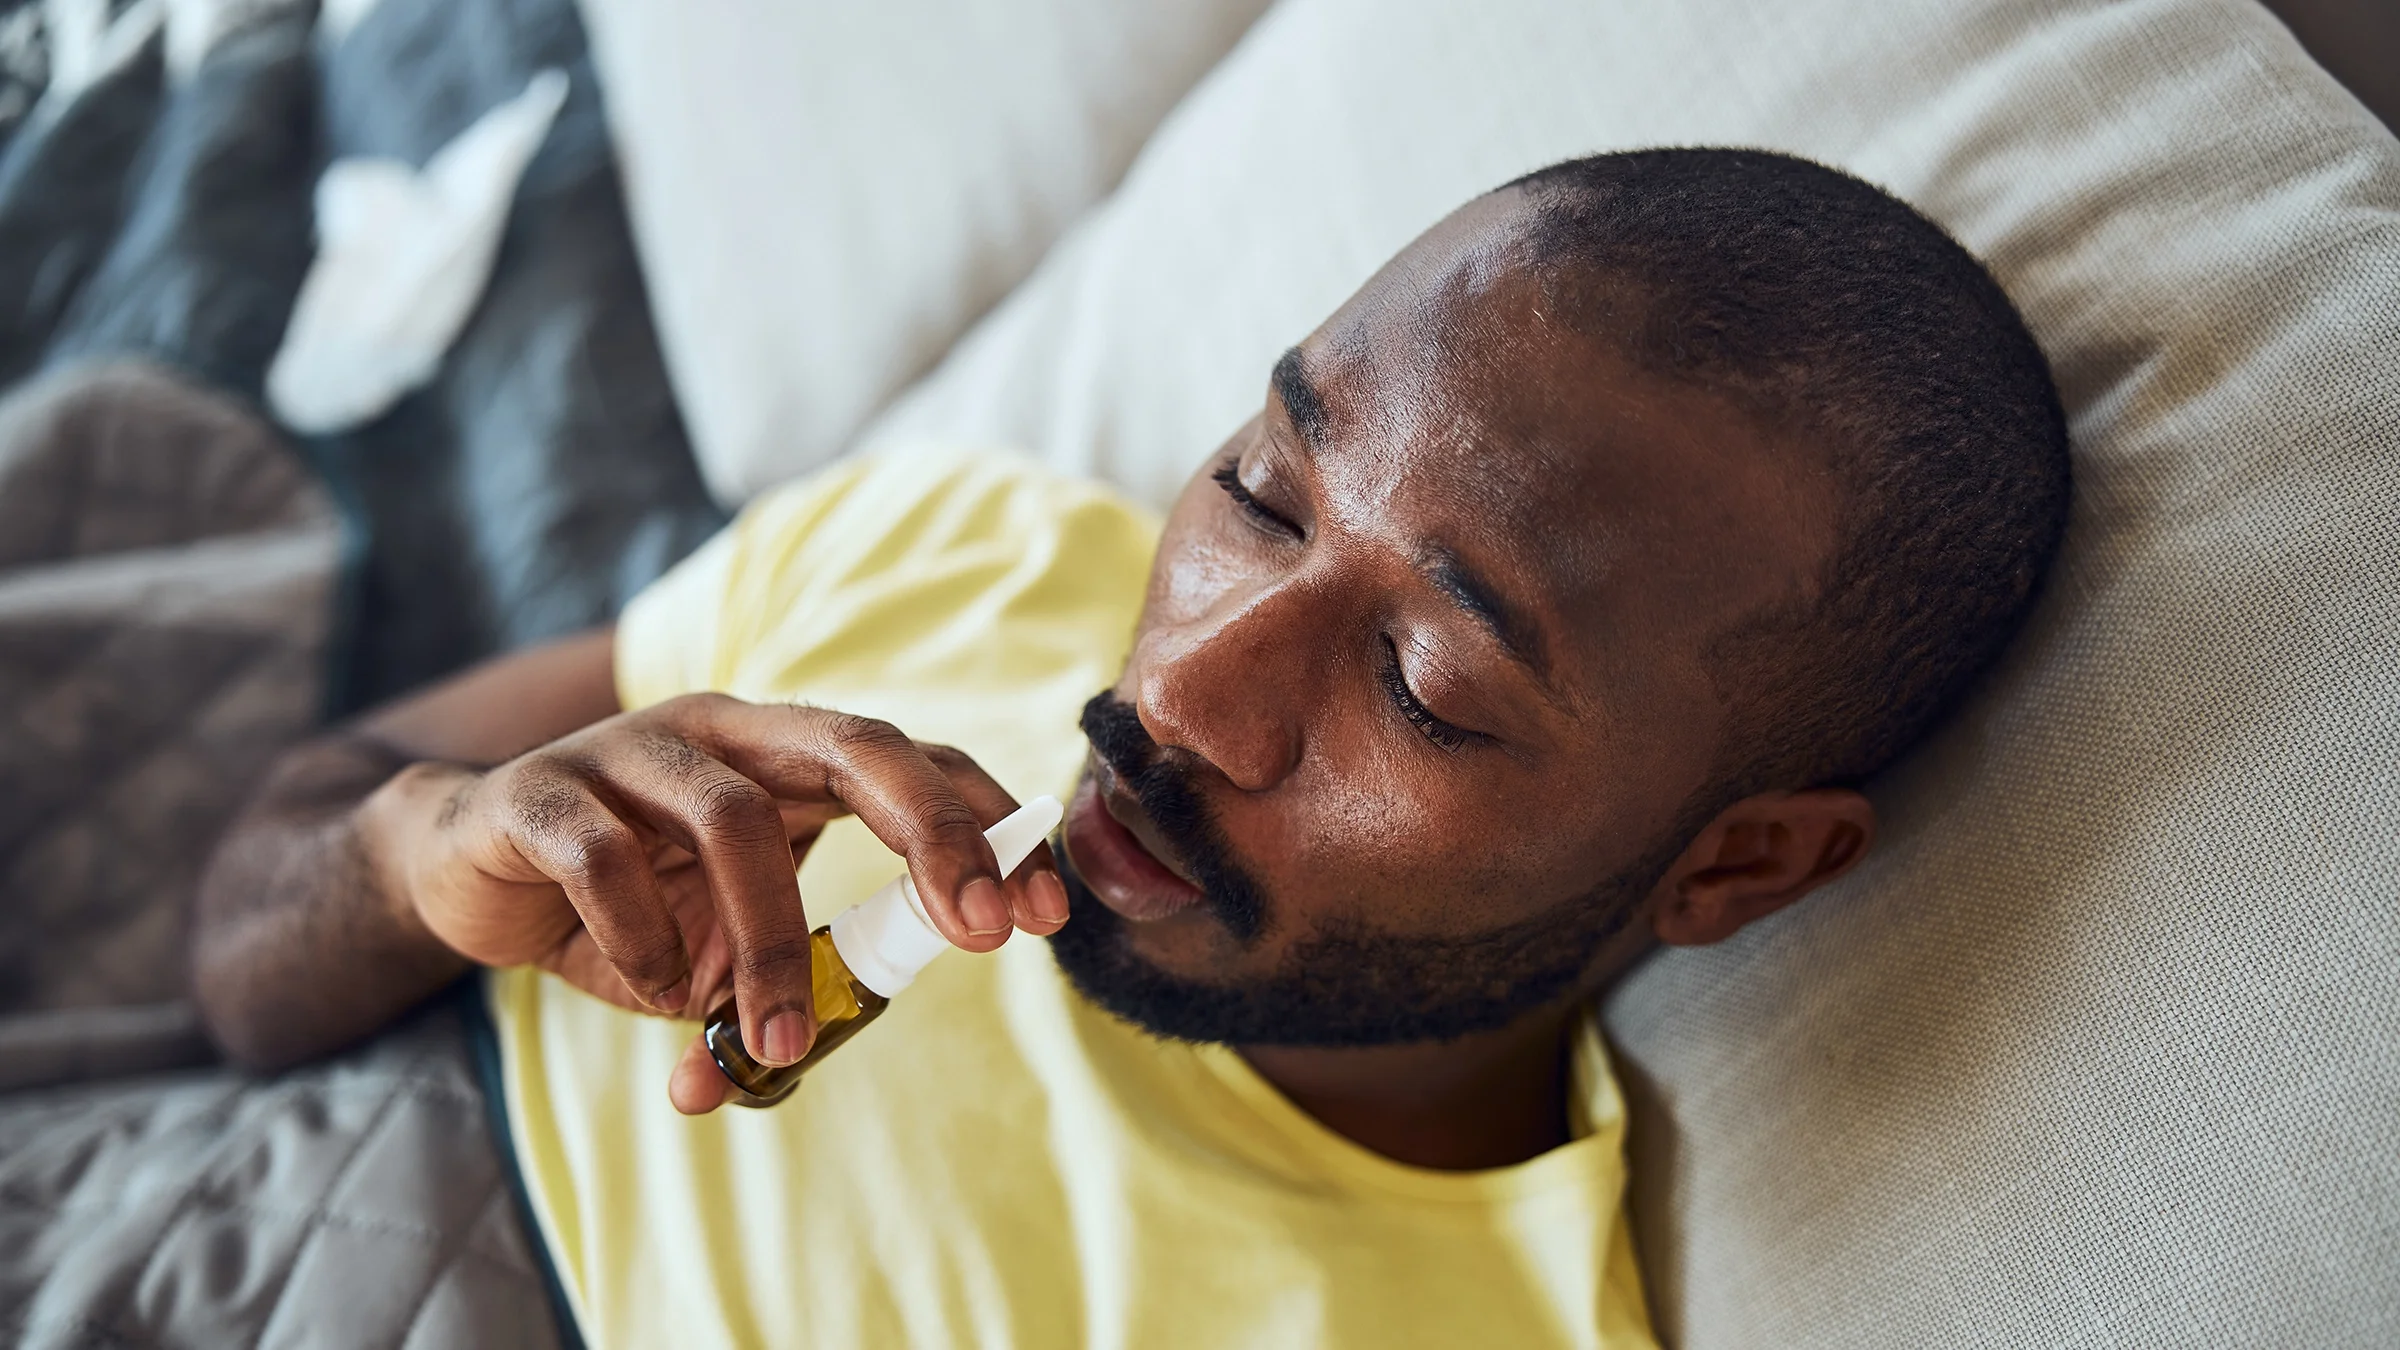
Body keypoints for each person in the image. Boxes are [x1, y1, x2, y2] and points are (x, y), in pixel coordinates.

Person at [192, 148, 2069, 1348]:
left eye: (1423, 682)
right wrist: (414, 858)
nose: (1183, 693)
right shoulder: (951, 552)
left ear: (1735, 862)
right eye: (1263, 492)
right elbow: (238, 962)